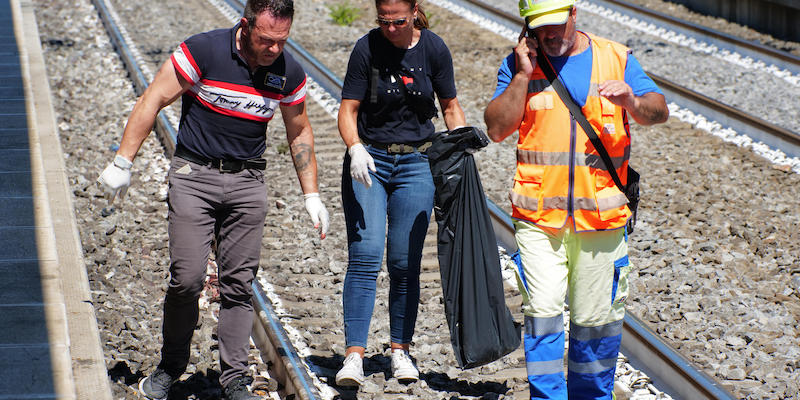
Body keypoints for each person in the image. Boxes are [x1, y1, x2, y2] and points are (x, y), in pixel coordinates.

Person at [96, 0, 329, 398]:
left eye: (282, 41)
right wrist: (123, 161)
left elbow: (299, 130)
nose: (274, 49)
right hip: (195, 176)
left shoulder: (288, 71)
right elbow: (153, 98)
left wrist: (312, 194)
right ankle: (171, 365)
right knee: (186, 280)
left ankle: (235, 377)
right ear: (245, 25)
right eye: (266, 39)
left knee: (239, 284)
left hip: (247, 182)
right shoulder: (203, 51)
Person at [484, 0, 668, 398]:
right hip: (539, 219)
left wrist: (632, 104)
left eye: (555, 25)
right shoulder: (518, 64)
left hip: (601, 218)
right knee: (543, 314)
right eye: (539, 27)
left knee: (595, 323)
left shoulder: (615, 58)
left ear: (573, 14)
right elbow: (497, 128)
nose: (549, 35)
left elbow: (659, 111)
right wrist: (521, 76)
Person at [334, 0, 466, 387]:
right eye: (384, 21)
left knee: (405, 261)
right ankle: (354, 357)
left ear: (415, 13)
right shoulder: (366, 48)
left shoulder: (434, 49)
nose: (391, 28)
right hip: (370, 161)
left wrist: (459, 157)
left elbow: (450, 106)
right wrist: (354, 146)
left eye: (399, 21)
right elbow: (348, 108)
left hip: (417, 163)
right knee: (366, 253)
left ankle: (400, 350)